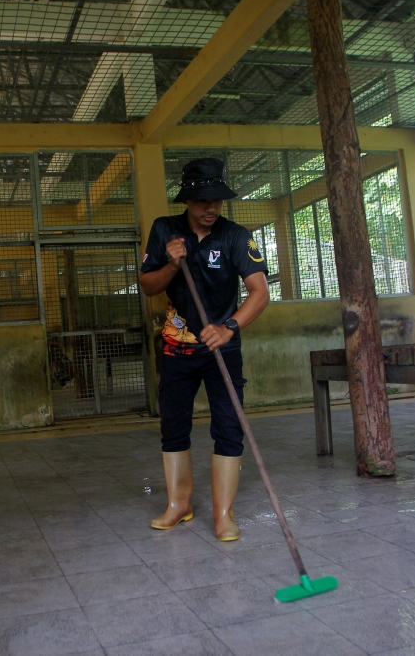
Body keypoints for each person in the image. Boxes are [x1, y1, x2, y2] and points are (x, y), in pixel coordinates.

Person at [139, 158, 270, 542]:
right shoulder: (165, 229)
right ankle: (179, 504)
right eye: (201, 200)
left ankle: (223, 514)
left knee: (228, 428)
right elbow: (148, 285)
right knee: (173, 426)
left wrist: (229, 327)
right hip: (177, 348)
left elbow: (260, 292)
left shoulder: (236, 236)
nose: (210, 207)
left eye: (216, 200)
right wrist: (173, 265)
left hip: (221, 351)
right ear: (188, 199)